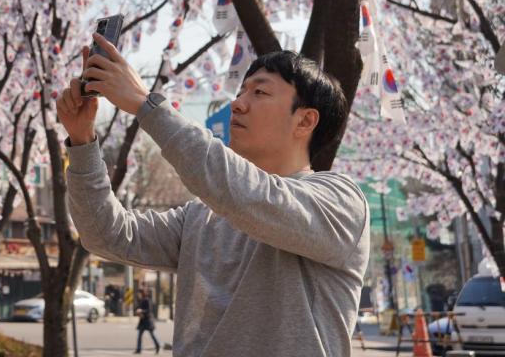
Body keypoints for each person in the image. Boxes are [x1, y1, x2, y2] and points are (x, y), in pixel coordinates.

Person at [57, 37, 370, 356]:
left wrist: (144, 103)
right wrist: (82, 142)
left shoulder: (341, 202)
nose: (237, 104)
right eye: (240, 92)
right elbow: (105, 235)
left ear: (305, 120)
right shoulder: (201, 216)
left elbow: (248, 195)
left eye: (259, 92)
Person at [134, 287, 160, 354]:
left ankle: (157, 346)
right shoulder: (141, 300)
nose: (138, 295)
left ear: (142, 293)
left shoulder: (147, 300)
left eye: (139, 293)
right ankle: (138, 349)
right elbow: (138, 308)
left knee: (152, 335)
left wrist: (141, 311)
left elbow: (149, 310)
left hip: (148, 321)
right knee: (139, 335)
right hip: (143, 321)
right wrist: (138, 311)